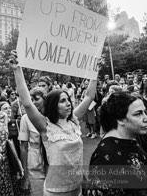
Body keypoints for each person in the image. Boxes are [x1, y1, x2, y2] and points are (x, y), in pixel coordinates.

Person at [9, 50, 98, 196]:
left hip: (78, 187)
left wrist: (95, 73)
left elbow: (89, 96)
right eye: (62, 101)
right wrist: (17, 69)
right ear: (53, 105)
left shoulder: (74, 120)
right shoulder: (45, 126)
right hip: (56, 190)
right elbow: (27, 102)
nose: (68, 104)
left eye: (68, 100)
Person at [88, 91, 147, 196]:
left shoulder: (131, 139)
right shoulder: (105, 157)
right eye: (138, 114)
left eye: (144, 112)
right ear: (121, 119)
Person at [18, 87, 47, 196]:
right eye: (31, 100)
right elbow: (23, 147)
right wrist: (25, 175)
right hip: (34, 164)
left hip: (53, 164)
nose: (34, 103)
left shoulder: (52, 116)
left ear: (44, 99)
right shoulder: (25, 119)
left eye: (37, 99)